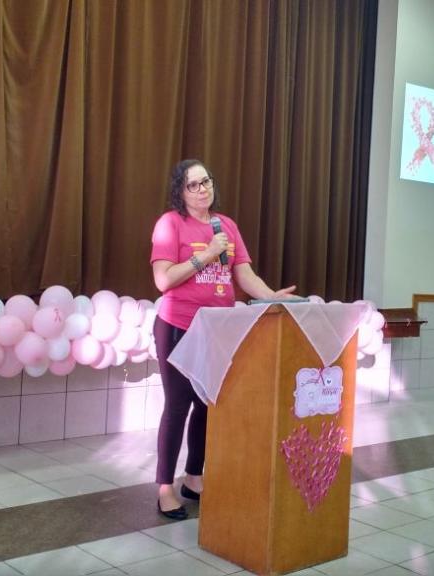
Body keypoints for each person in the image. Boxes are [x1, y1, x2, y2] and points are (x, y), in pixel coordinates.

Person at [150, 159, 297, 520]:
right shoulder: (171, 224)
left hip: (218, 329)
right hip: (178, 326)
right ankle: (165, 489)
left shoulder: (226, 226)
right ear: (180, 191)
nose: (202, 190)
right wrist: (206, 255)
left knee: (207, 404)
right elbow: (163, 280)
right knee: (178, 405)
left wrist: (272, 297)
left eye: (206, 182)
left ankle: (193, 478)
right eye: (193, 185)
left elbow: (244, 276)